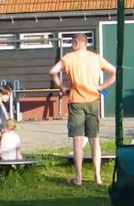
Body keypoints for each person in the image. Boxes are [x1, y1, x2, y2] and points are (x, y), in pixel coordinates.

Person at [49, 34, 116, 186]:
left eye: (72, 42)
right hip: (93, 100)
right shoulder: (96, 58)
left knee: (78, 140)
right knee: (94, 139)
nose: (71, 44)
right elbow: (114, 73)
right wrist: (101, 87)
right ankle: (97, 177)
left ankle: (78, 178)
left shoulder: (69, 58)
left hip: (76, 101)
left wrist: (62, 87)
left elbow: (53, 71)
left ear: (77, 42)